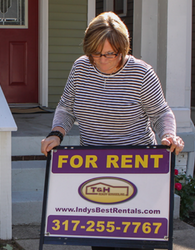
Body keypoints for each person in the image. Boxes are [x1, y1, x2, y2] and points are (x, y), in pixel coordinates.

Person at [40, 12, 184, 250]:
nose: (103, 60)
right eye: (96, 53)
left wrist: (168, 134)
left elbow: (161, 113)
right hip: (95, 166)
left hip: (138, 168)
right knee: (101, 242)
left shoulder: (141, 73)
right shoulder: (81, 68)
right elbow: (66, 107)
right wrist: (56, 133)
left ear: (123, 49)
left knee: (135, 242)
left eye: (110, 54)